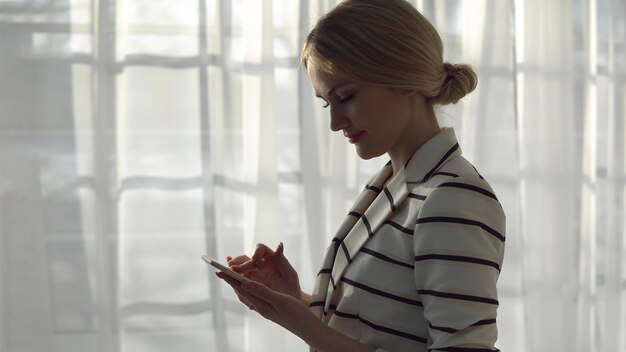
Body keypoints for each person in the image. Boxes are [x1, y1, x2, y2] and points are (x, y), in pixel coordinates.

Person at [215, 0, 506, 351]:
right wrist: (295, 299)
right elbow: (380, 332)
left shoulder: (453, 198)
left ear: (404, 77)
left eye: (347, 97)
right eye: (327, 103)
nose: (335, 123)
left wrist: (309, 329)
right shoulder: (393, 185)